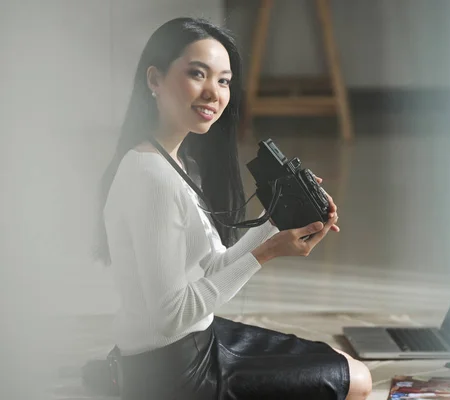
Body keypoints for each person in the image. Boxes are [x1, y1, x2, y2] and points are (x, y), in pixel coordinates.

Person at [95, 17, 372, 400]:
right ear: (154, 80)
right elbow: (171, 315)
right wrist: (268, 252)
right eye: (198, 74)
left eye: (223, 80)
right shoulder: (151, 177)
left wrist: (275, 222)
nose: (214, 93)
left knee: (343, 362)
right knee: (358, 383)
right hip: (174, 376)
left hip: (193, 343)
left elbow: (209, 267)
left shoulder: (171, 162)